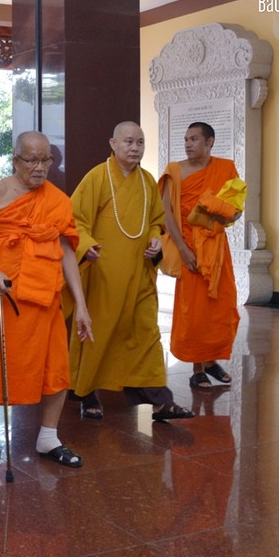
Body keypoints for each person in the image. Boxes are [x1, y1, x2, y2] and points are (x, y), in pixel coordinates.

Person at [0, 131, 93, 468]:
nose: (39, 167)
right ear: (16, 160)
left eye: (45, 160)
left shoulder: (58, 199)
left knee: (54, 363)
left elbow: (66, 250)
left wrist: (82, 306)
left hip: (44, 294)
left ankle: (48, 436)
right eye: (31, 160)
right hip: (0, 292)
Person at [69, 122, 194, 421]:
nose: (135, 147)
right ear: (113, 143)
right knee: (97, 333)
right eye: (128, 141)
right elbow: (74, 219)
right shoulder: (97, 178)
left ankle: (160, 401)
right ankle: (86, 393)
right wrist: (86, 245)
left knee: (146, 334)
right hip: (104, 274)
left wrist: (154, 238)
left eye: (140, 142)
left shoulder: (147, 180)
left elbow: (155, 220)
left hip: (139, 274)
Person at [159, 122, 241, 390]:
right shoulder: (175, 171)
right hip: (188, 246)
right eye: (186, 139)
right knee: (193, 309)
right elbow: (167, 214)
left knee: (220, 304)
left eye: (194, 139)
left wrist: (217, 210)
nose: (188, 144)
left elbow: (235, 210)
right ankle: (197, 369)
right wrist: (183, 249)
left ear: (210, 142)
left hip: (215, 247)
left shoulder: (225, 168)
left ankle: (211, 360)